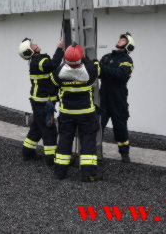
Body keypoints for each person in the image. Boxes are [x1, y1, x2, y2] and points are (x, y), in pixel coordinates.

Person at [50, 43, 101, 182]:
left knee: (65, 141)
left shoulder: (59, 72)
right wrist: (86, 58)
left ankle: (60, 172)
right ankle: (88, 174)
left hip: (67, 113)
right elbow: (96, 67)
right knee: (88, 141)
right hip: (86, 113)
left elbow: (53, 85)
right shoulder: (90, 69)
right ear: (81, 57)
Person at [18, 38, 64, 165]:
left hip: (40, 101)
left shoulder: (37, 61)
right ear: (29, 51)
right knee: (49, 130)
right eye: (32, 45)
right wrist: (60, 48)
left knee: (37, 128)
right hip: (43, 102)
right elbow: (53, 64)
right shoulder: (39, 61)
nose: (35, 44)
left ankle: (27, 152)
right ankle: (51, 159)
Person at [98, 32, 135, 163]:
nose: (120, 40)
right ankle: (96, 152)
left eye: (123, 40)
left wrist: (103, 68)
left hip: (118, 99)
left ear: (128, 46)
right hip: (103, 97)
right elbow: (99, 74)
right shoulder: (107, 57)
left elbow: (121, 75)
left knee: (120, 127)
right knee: (98, 125)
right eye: (120, 38)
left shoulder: (127, 61)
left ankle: (124, 154)